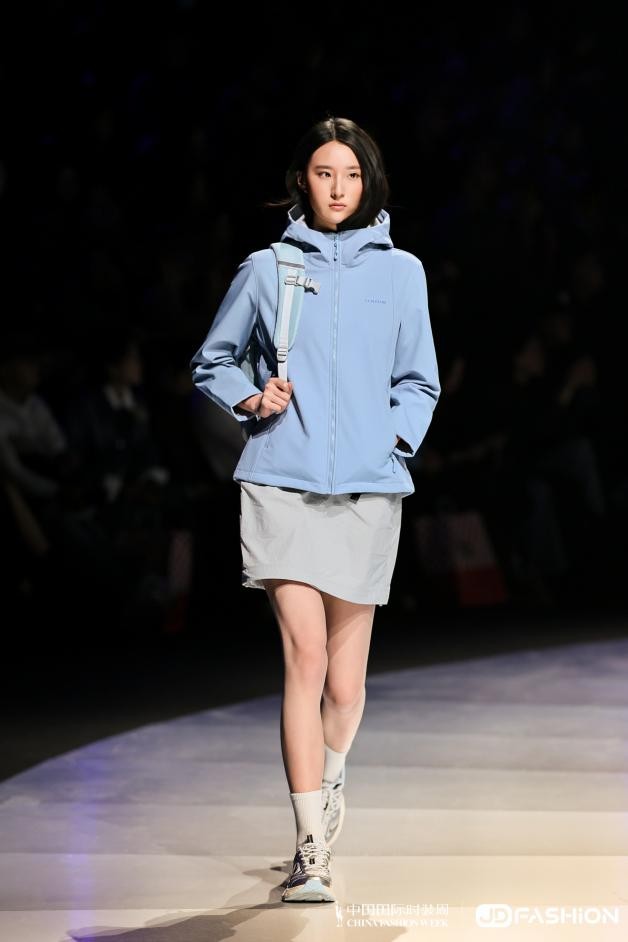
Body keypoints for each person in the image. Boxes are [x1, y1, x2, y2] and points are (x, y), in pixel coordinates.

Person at [190, 116, 440, 903]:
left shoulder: (402, 273)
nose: (338, 188)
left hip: (366, 491)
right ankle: (308, 846)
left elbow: (420, 380)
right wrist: (250, 397)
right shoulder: (269, 268)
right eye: (325, 173)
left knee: (347, 685)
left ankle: (331, 782)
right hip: (282, 482)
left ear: (370, 183)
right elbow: (213, 360)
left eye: (352, 175)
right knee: (303, 657)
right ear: (303, 178)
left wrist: (391, 438)